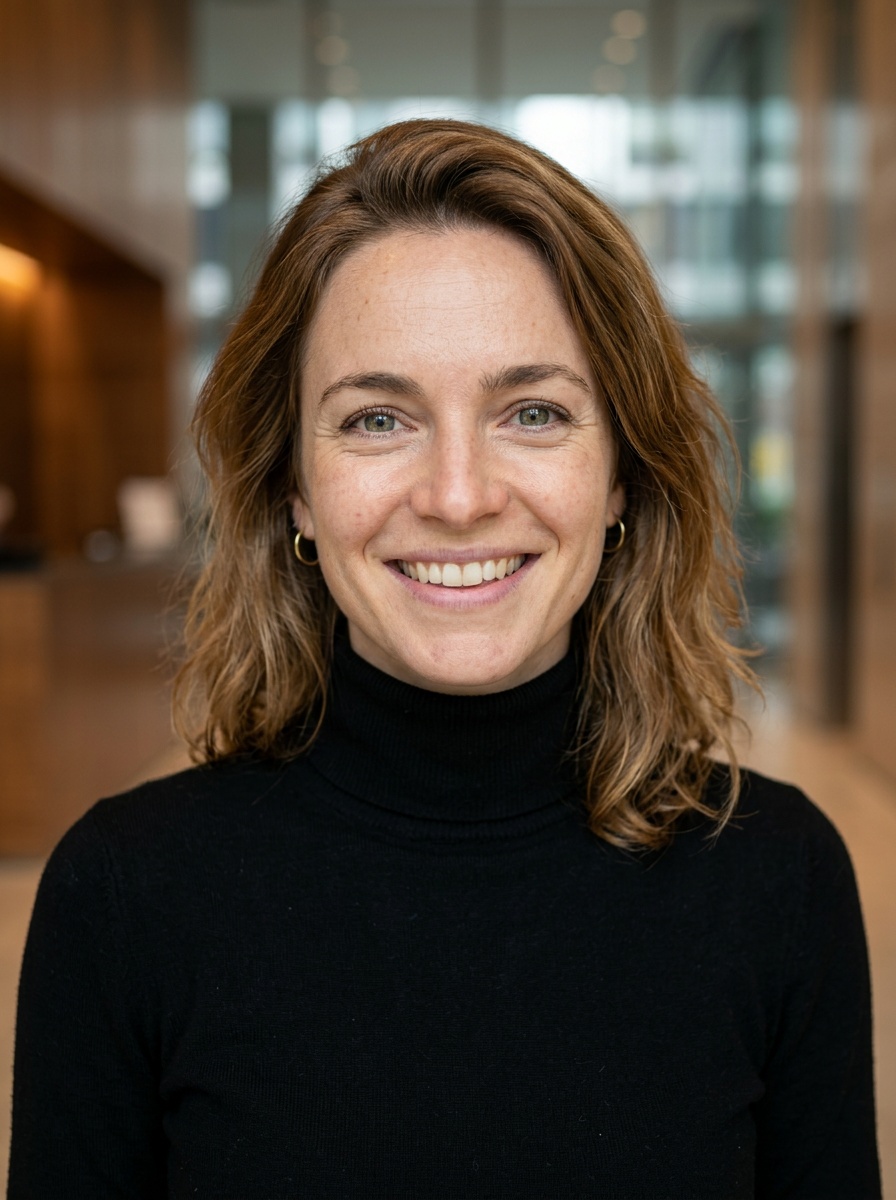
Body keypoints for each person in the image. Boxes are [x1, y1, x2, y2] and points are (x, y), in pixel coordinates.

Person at [9, 119, 880, 1198]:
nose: (458, 496)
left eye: (531, 412)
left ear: (619, 477)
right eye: (377, 418)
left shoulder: (776, 877)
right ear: (294, 489)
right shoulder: (125, 896)